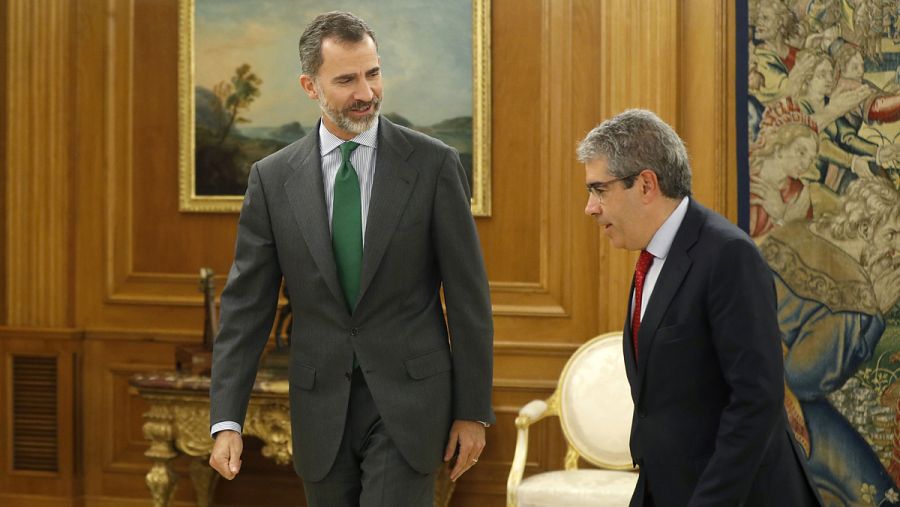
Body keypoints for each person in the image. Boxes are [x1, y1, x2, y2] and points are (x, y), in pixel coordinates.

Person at [207, 11, 494, 507]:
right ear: (309, 85)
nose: (366, 92)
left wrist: (473, 410)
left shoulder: (433, 165)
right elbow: (246, 308)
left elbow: (469, 298)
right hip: (320, 408)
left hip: (410, 404)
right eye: (346, 79)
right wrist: (226, 419)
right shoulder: (272, 180)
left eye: (373, 73)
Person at [576, 109, 821, 506]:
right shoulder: (650, 259)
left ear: (646, 185)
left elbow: (756, 401)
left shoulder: (728, 256)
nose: (590, 207)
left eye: (599, 190)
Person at [758, 178, 900, 505]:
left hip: (743, 386)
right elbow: (805, 378)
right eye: (890, 235)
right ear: (865, 229)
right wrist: (875, 314)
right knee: (876, 495)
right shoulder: (853, 293)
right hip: (784, 405)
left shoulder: (796, 232)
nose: (895, 250)